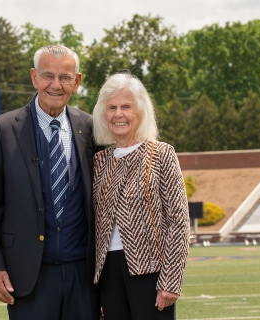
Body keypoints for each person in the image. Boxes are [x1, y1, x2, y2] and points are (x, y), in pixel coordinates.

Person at [0, 44, 100, 320]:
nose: (55, 85)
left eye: (65, 77)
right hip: (27, 277)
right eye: (48, 76)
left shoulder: (92, 128)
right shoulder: (2, 130)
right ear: (34, 77)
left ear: (77, 82)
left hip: (83, 278)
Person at [91, 72, 190, 319]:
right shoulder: (99, 161)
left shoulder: (162, 154)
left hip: (152, 272)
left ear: (141, 111)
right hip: (107, 274)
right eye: (111, 107)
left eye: (126, 106)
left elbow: (178, 222)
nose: (118, 114)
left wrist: (171, 280)